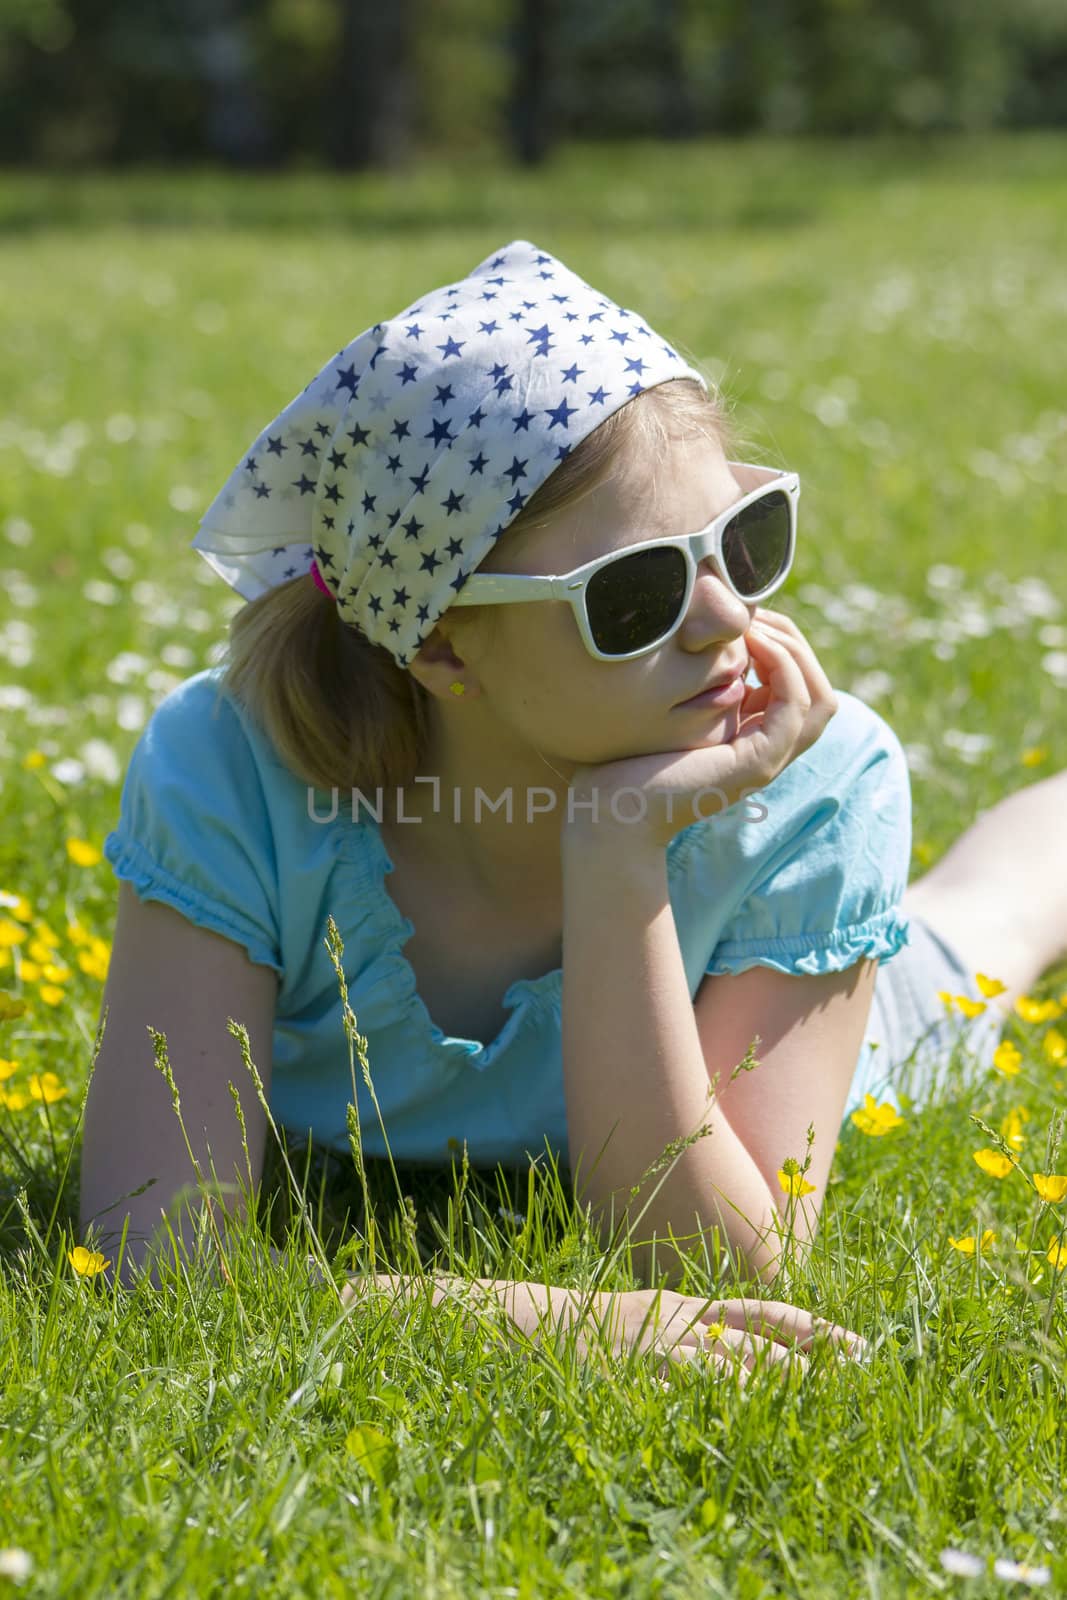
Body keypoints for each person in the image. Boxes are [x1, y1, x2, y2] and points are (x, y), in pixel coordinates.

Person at [78, 239, 1066, 1386]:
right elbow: (151, 1260)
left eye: (743, 543)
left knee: (983, 925)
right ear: (443, 645)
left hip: (777, 1018)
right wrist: (519, 1312)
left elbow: (729, 1267)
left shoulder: (810, 779)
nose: (722, 620)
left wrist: (616, 856)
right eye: (633, 592)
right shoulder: (230, 772)